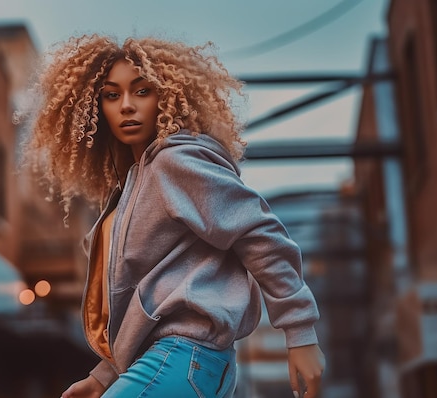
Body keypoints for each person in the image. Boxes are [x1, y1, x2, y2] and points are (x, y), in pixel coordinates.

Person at [24, 34, 325, 398]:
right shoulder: (132, 185)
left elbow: (260, 232)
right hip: (177, 361)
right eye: (112, 94)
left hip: (185, 355)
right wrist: (104, 376)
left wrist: (300, 332)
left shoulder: (174, 161)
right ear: (95, 106)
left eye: (142, 91)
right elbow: (148, 298)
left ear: (165, 96)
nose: (127, 106)